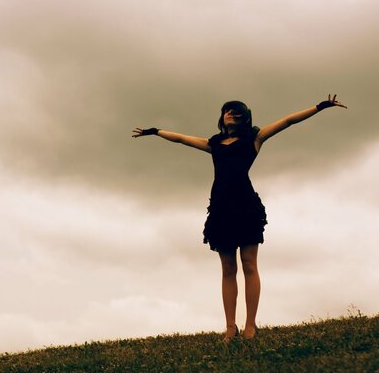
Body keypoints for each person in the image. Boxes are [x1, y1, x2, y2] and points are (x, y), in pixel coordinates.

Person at [132, 95, 347, 341]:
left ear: (244, 117)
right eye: (226, 111)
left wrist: (320, 107)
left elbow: (288, 121)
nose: (229, 114)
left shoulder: (255, 138)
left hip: (245, 206)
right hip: (221, 208)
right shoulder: (213, 143)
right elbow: (181, 139)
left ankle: (250, 325)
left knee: (249, 264)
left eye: (235, 111)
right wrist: (156, 131)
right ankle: (230, 327)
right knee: (227, 268)